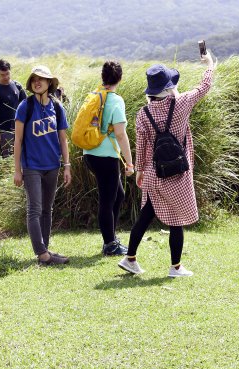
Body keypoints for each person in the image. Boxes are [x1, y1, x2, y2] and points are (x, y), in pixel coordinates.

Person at [117, 50, 215, 278]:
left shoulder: (143, 114)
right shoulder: (181, 103)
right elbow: (204, 86)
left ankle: (130, 258)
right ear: (169, 86)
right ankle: (175, 267)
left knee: (145, 215)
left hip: (153, 172)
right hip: (177, 172)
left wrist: (140, 171)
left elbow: (141, 147)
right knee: (176, 218)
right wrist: (209, 63)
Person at [13, 65, 72, 265]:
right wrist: (17, 170)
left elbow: (63, 139)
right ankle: (42, 253)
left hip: (53, 166)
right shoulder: (25, 106)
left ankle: (45, 251)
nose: (37, 82)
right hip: (32, 167)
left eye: (42, 79)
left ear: (49, 83)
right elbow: (18, 140)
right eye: (34, 79)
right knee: (35, 209)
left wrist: (67, 165)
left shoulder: (56, 107)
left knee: (48, 209)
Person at [83, 61, 135, 256]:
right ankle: (110, 244)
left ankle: (111, 238)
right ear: (119, 78)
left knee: (118, 195)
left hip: (90, 154)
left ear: (102, 77)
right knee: (107, 199)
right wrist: (129, 162)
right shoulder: (115, 100)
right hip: (106, 157)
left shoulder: (94, 96)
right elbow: (121, 135)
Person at [0, 59, 27, 157]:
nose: (6, 77)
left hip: (20, 128)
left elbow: (26, 104)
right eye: (2, 75)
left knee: (23, 156)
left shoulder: (17, 86)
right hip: (4, 132)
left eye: (7, 74)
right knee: (8, 158)